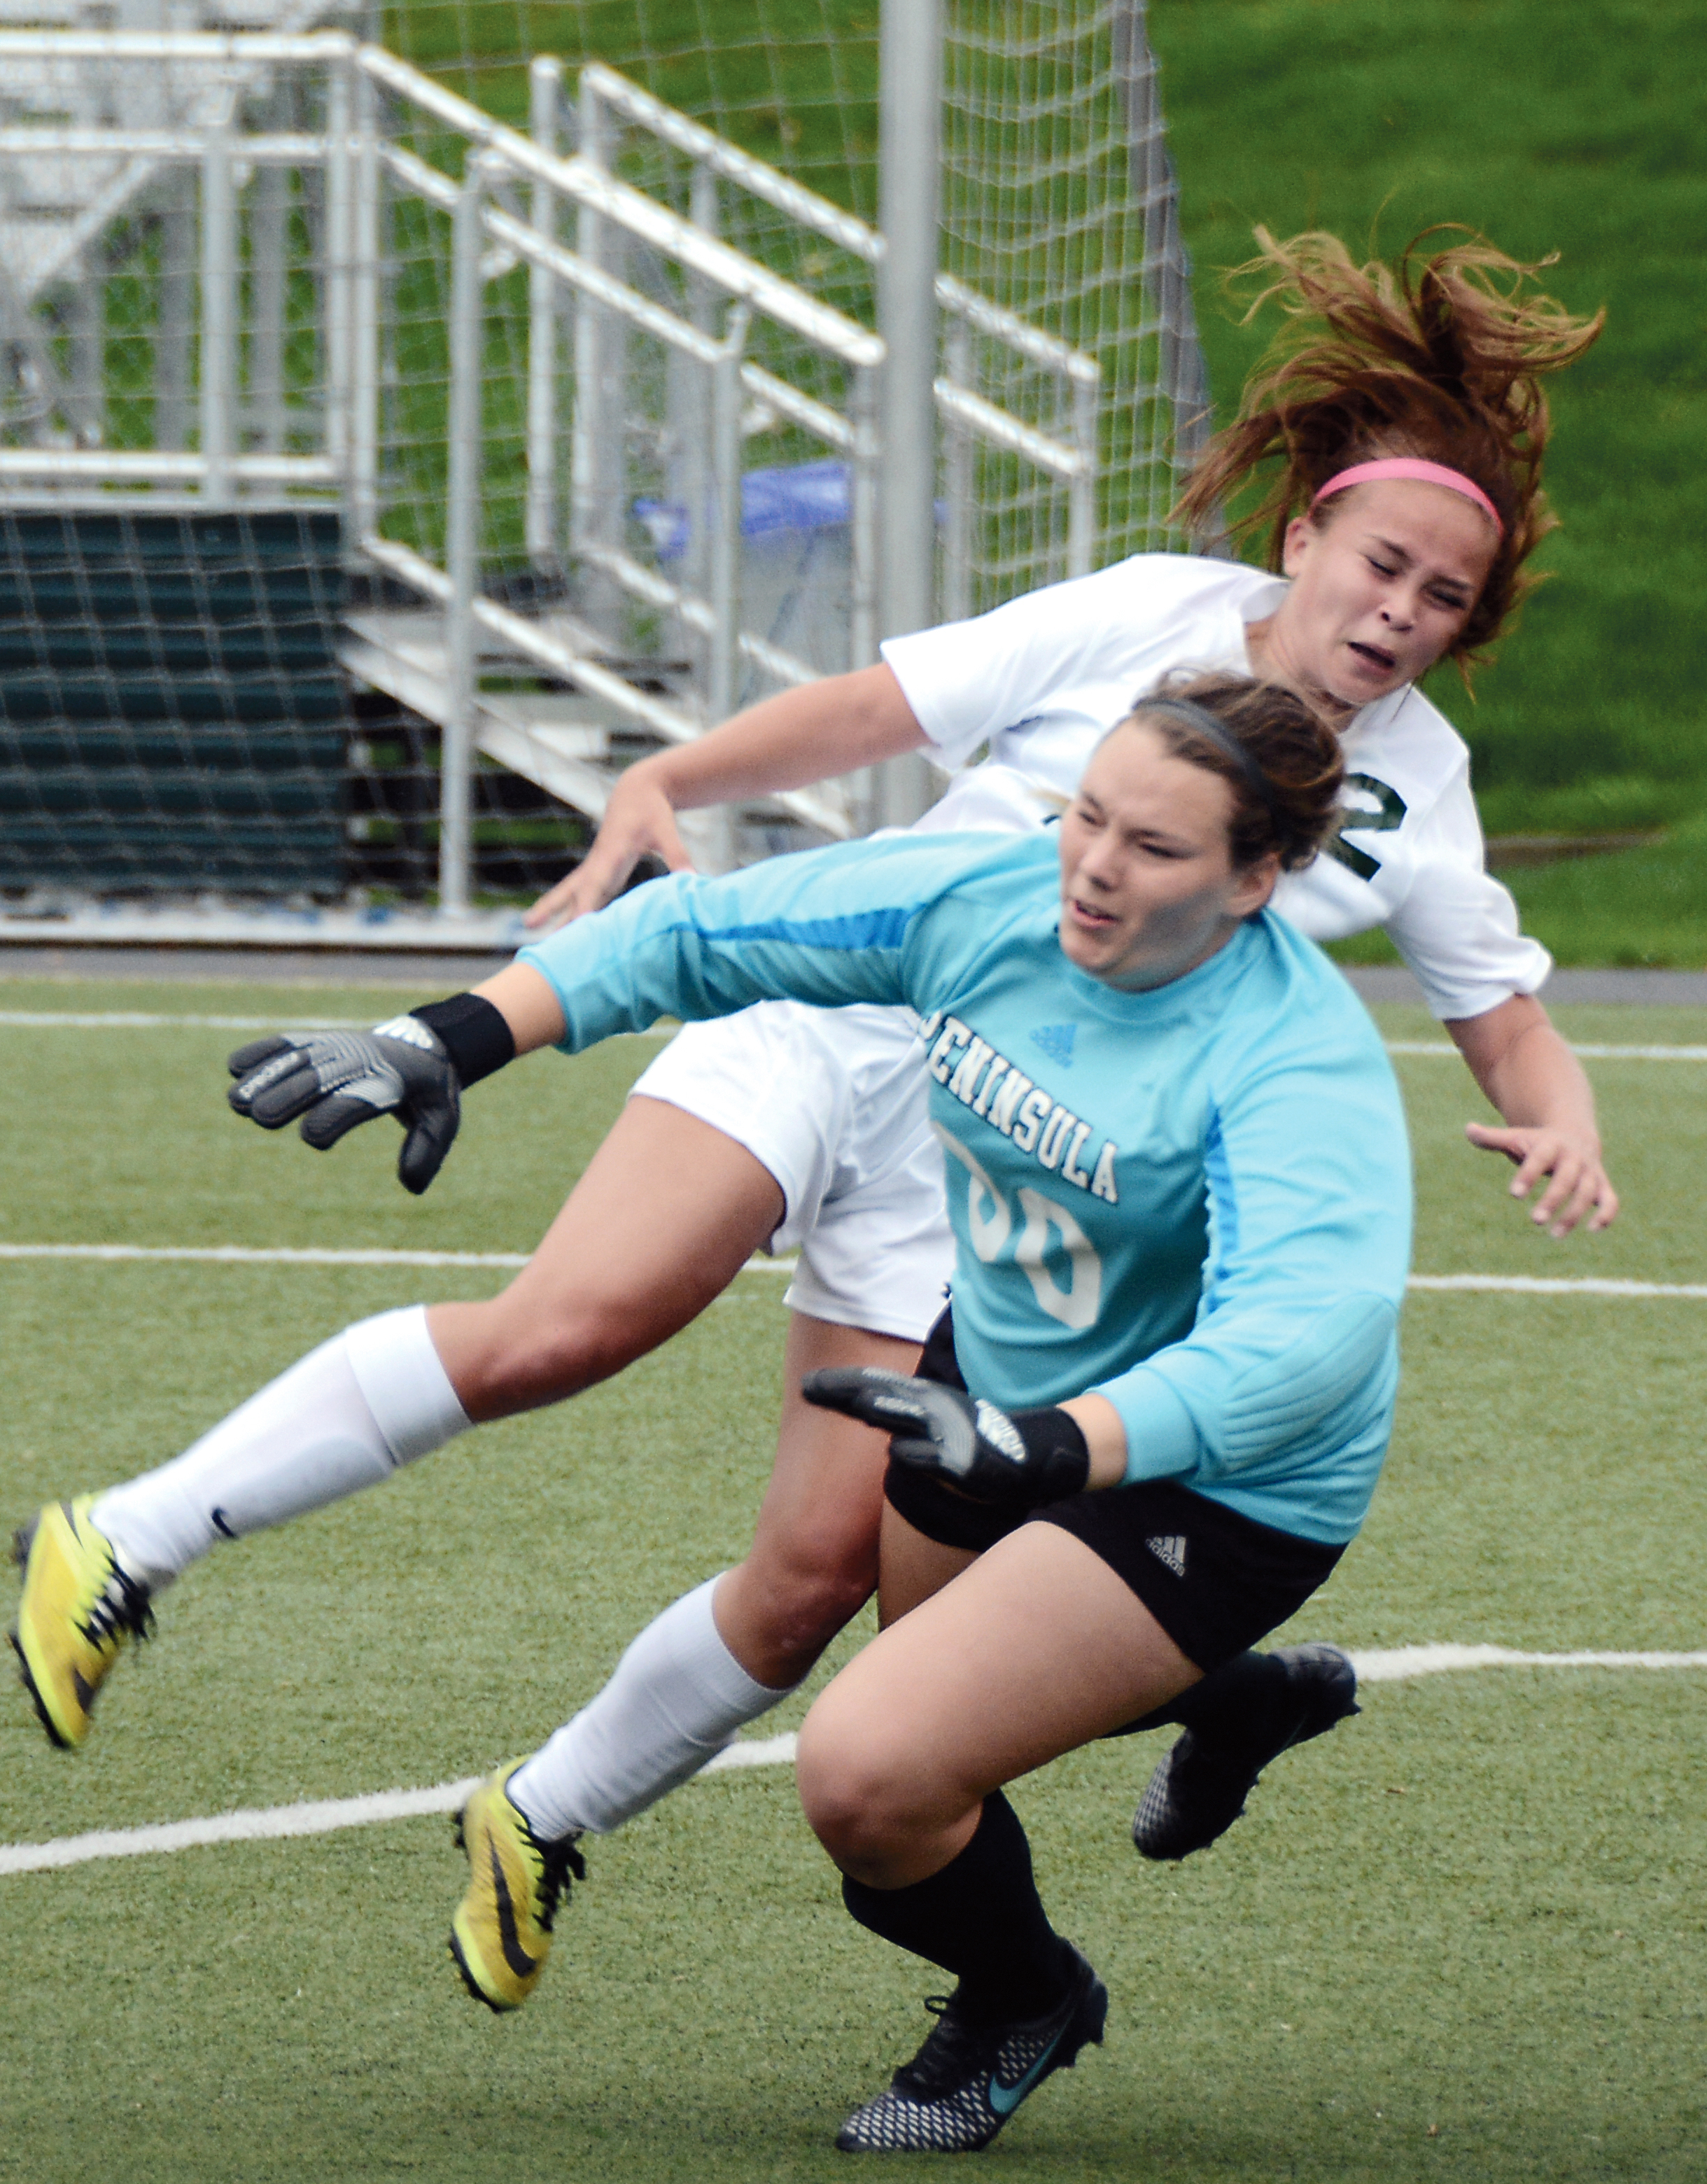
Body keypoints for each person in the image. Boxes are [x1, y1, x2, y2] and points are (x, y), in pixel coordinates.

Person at [8, 231, 1608, 1856]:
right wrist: (669, 781)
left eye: (1443, 598)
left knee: (832, 1589)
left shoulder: (1426, 795)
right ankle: (126, 1539)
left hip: (996, 1179)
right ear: (1304, 530)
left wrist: (1562, 1122)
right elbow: (881, 707)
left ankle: (540, 1827)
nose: (1400, 611)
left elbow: (1504, 1015)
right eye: (1381, 563)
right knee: (574, 1323)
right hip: (840, 1013)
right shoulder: (1148, 611)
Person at [433, 672, 1403, 2150]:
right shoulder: (994, 896)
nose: (1092, 865)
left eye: (1154, 848)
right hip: (993, 1398)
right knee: (945, 1677)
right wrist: (450, 1037)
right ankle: (1236, 1699)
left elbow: (1304, 1341)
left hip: (1221, 1482)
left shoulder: (1292, 1059)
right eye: (1088, 814)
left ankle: (1023, 1999)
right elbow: (708, 931)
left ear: (1257, 881)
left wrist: (1063, 1449)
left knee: (874, 1774)